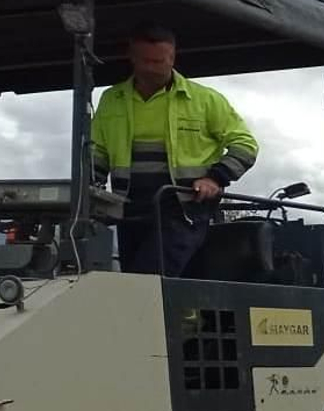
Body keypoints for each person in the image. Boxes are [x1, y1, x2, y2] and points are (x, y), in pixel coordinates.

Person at [91, 22, 260, 276]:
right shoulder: (111, 100)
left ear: (173, 57)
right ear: (132, 58)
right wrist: (90, 190)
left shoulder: (205, 100)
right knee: (132, 281)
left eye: (160, 62)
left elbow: (246, 146)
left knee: (146, 280)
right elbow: (98, 154)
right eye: (146, 61)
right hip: (130, 211)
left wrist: (215, 178)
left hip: (182, 209)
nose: (153, 69)